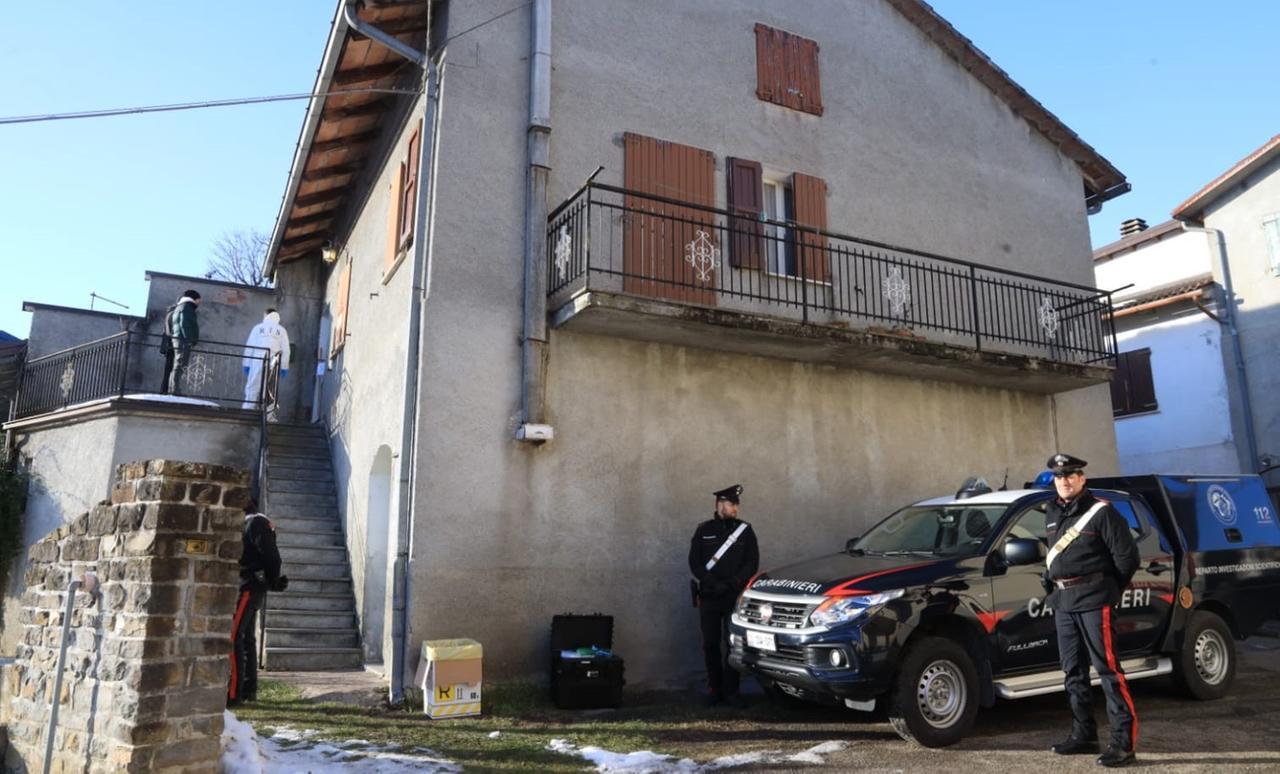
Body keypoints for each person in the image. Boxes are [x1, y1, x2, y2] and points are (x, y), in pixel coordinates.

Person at [1041, 453, 1140, 767]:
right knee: (1073, 672)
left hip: (1095, 599)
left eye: (1070, 475)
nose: (1065, 481)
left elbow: (1127, 559)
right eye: (1059, 476)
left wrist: (1107, 592)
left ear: (1082, 478)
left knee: (1109, 672)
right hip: (1064, 602)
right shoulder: (1052, 510)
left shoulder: (1101, 512)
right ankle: (1083, 735)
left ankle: (1123, 744)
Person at [688, 484, 758, 706]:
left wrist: (732, 583)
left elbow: (751, 562)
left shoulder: (744, 531)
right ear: (719, 505)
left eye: (736, 504)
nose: (735, 508)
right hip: (709, 596)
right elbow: (695, 562)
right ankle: (714, 690)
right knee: (710, 644)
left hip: (733, 596)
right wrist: (711, 582)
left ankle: (732, 692)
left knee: (733, 644)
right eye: (730, 504)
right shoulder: (703, 530)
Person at [229, 499, 288, 706]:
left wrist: (273, 581)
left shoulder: (255, 522)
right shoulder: (251, 522)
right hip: (250, 585)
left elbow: (272, 557)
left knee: (233, 635)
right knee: (245, 638)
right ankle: (247, 690)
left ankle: (233, 693)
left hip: (249, 586)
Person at [241, 308, 292, 416]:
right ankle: (268, 415)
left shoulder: (258, 328)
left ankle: (247, 412)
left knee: (253, 386)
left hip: (257, 360)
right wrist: (284, 366)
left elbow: (249, 347)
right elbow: (286, 350)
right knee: (270, 389)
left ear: (266, 315)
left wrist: (246, 364)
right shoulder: (281, 330)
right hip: (274, 362)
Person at [166, 290, 201, 396]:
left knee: (178, 364)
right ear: (194, 298)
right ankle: (174, 390)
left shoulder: (181, 307)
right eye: (199, 300)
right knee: (180, 364)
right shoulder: (187, 307)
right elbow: (184, 324)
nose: (199, 302)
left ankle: (173, 389)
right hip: (183, 340)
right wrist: (189, 339)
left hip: (178, 339)